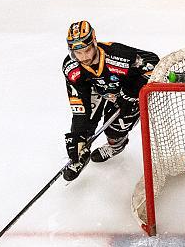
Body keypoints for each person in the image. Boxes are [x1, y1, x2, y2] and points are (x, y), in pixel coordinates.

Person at [62, 20, 159, 181]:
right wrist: (77, 136)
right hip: (97, 90)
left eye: (87, 50)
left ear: (94, 42)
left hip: (125, 90)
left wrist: (131, 93)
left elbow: (154, 63)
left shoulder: (117, 55)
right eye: (78, 53)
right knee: (82, 127)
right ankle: (81, 152)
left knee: (115, 127)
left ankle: (116, 144)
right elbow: (79, 104)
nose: (84, 57)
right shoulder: (71, 68)